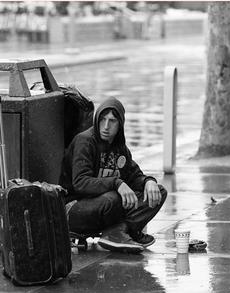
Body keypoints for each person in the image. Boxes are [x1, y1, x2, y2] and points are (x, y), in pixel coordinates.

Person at [60, 96, 168, 253]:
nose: (106, 126)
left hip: (106, 207)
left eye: (112, 121)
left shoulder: (120, 149)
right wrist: (117, 183)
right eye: (102, 119)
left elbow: (134, 176)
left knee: (158, 191)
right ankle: (121, 232)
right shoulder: (85, 141)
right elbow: (80, 182)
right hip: (74, 209)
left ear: (120, 125)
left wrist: (148, 182)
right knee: (115, 197)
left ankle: (118, 231)